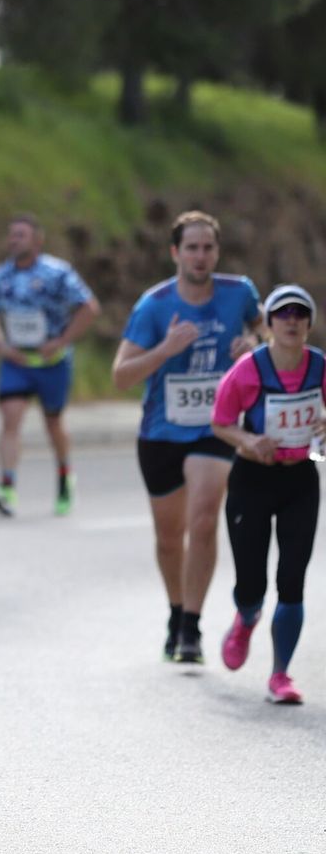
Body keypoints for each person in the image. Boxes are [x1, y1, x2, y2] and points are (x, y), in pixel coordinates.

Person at [111, 210, 262, 664]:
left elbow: (270, 331)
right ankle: (176, 612)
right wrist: (165, 350)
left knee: (202, 518)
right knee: (169, 535)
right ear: (175, 253)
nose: (200, 256)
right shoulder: (154, 305)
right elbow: (120, 376)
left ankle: (192, 627)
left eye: (208, 247)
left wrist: (254, 341)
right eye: (191, 248)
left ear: (217, 251)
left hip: (216, 427)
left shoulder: (240, 293)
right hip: (161, 431)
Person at [209, 285, 323, 704]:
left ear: (309, 324)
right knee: (252, 583)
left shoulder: (320, 367)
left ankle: (281, 675)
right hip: (252, 481)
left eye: (300, 313)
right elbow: (221, 422)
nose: (291, 320)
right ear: (270, 323)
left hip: (300, 481)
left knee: (292, 581)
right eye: (283, 313)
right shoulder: (247, 370)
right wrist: (247, 440)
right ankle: (247, 617)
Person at [0, 214, 102, 517]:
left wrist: (62, 341)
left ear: (37, 240)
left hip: (52, 361)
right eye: (11, 235)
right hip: (17, 361)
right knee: (11, 418)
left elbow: (89, 307)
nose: (14, 240)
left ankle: (64, 477)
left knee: (53, 422)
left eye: (21, 235)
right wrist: (0, 346)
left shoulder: (57, 272)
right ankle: (6, 487)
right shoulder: (0, 276)